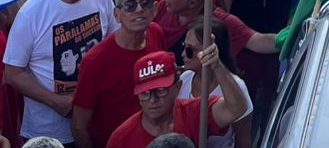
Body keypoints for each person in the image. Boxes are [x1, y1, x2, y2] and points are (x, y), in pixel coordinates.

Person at [3, 0, 118, 146]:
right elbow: (13, 72)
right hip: (50, 132)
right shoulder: (31, 13)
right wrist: (55, 101)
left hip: (96, 119)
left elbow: (113, 41)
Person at [72, 0, 167, 148]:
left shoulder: (156, 33)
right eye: (130, 5)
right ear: (117, 15)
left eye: (145, 2)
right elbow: (79, 126)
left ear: (155, 8)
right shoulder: (95, 61)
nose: (139, 10)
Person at [103, 43, 248, 148]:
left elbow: (236, 109)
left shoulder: (194, 112)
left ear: (178, 87)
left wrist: (216, 65)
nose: (153, 100)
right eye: (145, 93)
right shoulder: (121, 139)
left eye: (160, 90)